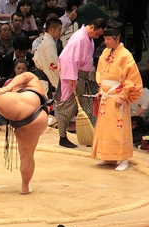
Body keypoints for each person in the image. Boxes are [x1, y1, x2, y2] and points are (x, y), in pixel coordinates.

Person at [91, 27, 143, 171]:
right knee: (105, 128)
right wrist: (101, 89)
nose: (106, 42)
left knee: (119, 127)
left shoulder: (126, 55)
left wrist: (123, 95)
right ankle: (109, 157)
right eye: (105, 39)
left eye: (109, 39)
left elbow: (132, 78)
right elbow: (101, 72)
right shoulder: (105, 52)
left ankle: (123, 158)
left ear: (117, 38)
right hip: (106, 95)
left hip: (117, 95)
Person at [56, 18, 107, 148]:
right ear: (91, 27)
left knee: (87, 108)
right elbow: (67, 58)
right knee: (67, 108)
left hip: (83, 78)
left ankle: (88, 137)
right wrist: (72, 78)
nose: (98, 36)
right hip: (73, 77)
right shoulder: (79, 38)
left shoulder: (88, 38)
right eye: (97, 33)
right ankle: (62, 137)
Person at [31, 18, 62, 99]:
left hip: (42, 77)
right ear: (51, 30)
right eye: (59, 30)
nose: (60, 32)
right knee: (45, 103)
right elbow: (52, 64)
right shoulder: (48, 43)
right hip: (43, 78)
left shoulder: (48, 41)